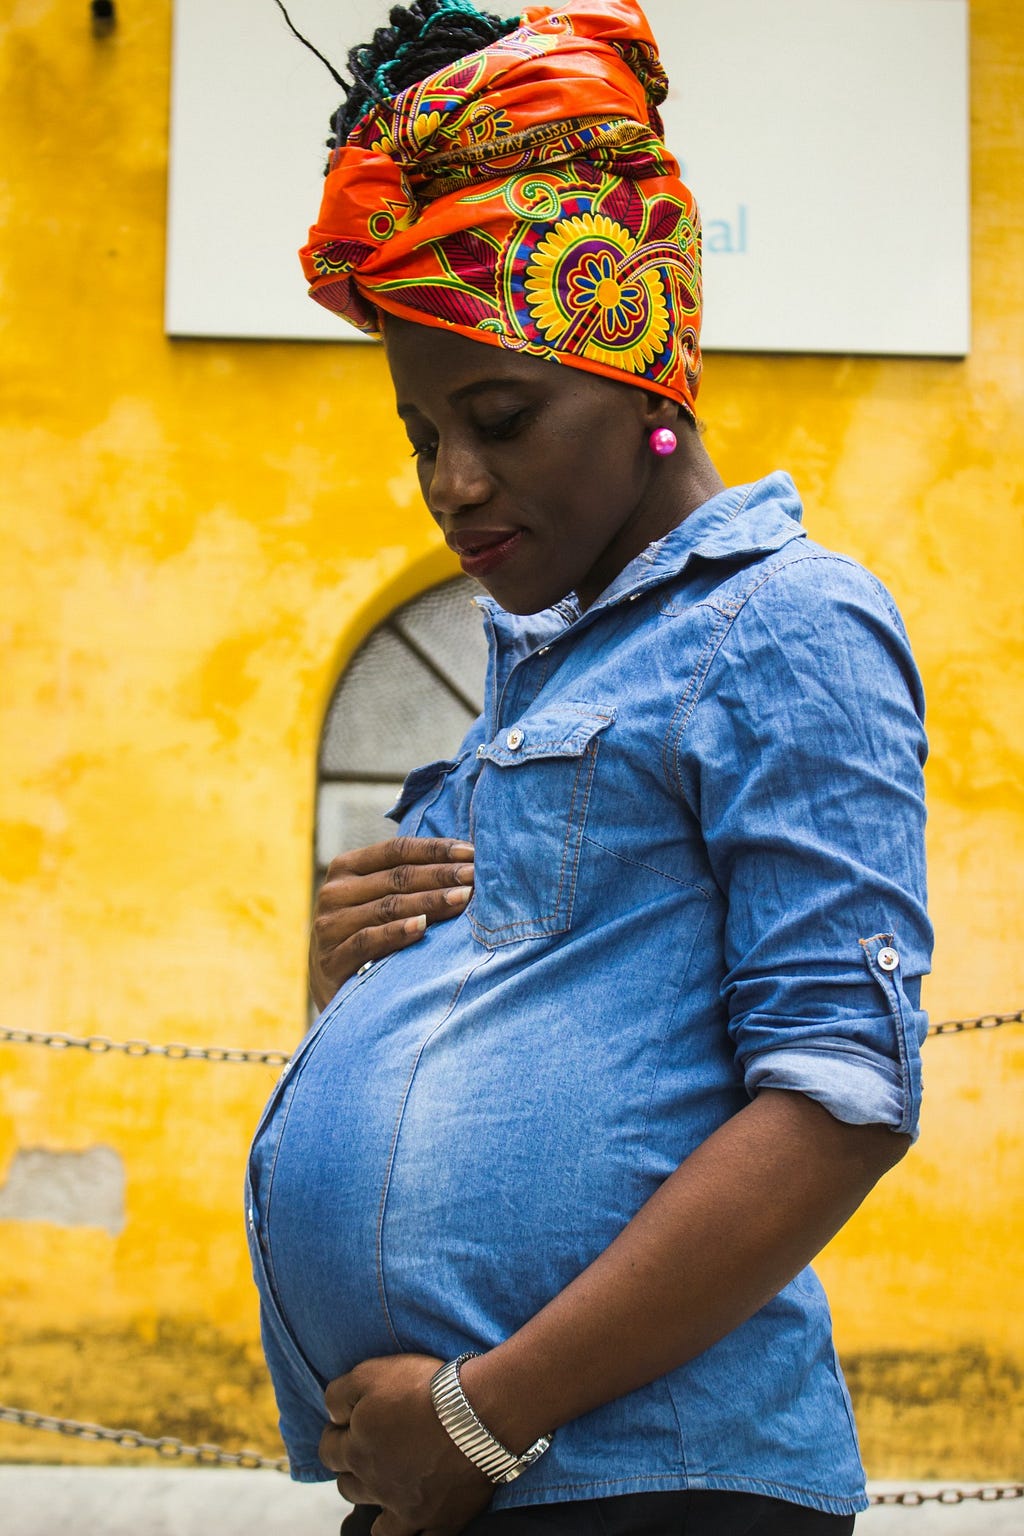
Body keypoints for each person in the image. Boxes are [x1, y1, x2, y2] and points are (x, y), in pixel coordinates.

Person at [247, 4, 932, 1533]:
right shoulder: (546, 662)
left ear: (651, 385)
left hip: (646, 1487)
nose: (450, 483)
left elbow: (841, 1092)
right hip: (452, 1484)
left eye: (498, 418)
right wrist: (355, 1003)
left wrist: (484, 1418)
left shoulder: (783, 622)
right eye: (419, 432)